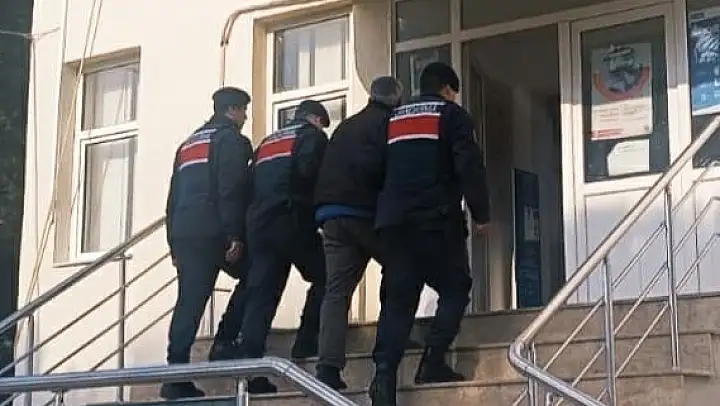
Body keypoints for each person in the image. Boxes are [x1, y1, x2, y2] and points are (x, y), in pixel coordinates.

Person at [368, 62, 490, 406]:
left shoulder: (392, 119)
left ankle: (383, 377)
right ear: (448, 90)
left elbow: (376, 168)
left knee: (398, 301)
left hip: (394, 224)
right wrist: (481, 214)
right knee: (455, 287)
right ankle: (433, 361)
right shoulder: (452, 115)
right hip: (436, 221)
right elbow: (469, 165)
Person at [313, 76, 423, 390]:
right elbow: (391, 169)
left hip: (331, 215)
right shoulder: (389, 124)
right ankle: (394, 336)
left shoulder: (346, 126)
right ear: (397, 99)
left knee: (336, 292)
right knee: (402, 267)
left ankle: (328, 368)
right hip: (364, 213)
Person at [161, 87, 255, 400]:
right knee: (257, 275)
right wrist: (234, 235)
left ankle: (175, 374)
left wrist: (173, 243)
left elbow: (173, 197)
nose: (245, 117)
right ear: (232, 110)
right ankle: (225, 340)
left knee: (188, 302)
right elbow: (231, 189)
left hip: (185, 233)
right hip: (214, 232)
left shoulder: (188, 145)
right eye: (243, 111)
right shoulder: (230, 140)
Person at [238, 100, 331, 394]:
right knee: (328, 275)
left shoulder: (267, 142)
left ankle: (251, 371)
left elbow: (249, 185)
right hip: (292, 220)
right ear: (315, 119)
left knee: (262, 297)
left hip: (259, 226)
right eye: (322, 123)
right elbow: (310, 175)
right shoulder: (311, 137)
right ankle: (306, 340)